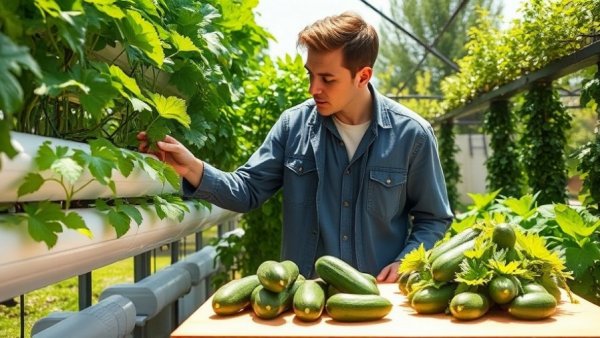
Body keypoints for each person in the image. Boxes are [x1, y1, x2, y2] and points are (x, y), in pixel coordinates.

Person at [138, 11, 453, 282]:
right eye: (311, 75)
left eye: (327, 79)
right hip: (304, 305)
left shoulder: (412, 135)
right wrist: (191, 167)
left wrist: (405, 261)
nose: (313, 88)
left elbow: (434, 218)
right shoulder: (293, 127)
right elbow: (247, 190)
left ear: (363, 76)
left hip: (378, 301)